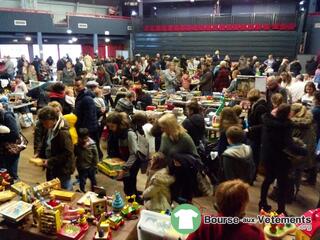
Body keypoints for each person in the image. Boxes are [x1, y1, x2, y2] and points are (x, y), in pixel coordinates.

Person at [259, 104, 307, 214]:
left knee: (267, 180)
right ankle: (281, 210)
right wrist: (303, 151)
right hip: (280, 159)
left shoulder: (267, 120)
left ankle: (262, 203)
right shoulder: (286, 125)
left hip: (267, 156)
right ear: (287, 113)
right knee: (282, 184)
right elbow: (289, 145)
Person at [187, 179, 265, 240]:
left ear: (216, 205)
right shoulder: (253, 234)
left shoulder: (203, 224)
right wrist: (261, 231)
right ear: (242, 207)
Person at [158, 113, 200, 203]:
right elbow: (162, 151)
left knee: (183, 201)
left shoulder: (185, 138)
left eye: (163, 127)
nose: (161, 130)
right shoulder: (164, 136)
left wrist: (182, 160)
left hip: (185, 176)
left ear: (170, 127)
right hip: (170, 172)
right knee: (170, 197)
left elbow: (196, 158)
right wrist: (157, 156)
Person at [37, 106, 75, 190]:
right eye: (42, 123)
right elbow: (46, 143)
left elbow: (68, 152)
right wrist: (40, 155)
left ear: (54, 119)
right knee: (52, 187)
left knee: (64, 189)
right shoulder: (49, 128)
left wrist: (50, 161)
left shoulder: (63, 133)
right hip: (52, 166)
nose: (44, 125)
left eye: (45, 123)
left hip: (62, 169)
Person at [105, 112, 140, 197]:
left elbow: (134, 154)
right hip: (124, 161)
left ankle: (134, 199)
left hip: (132, 163)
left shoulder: (129, 134)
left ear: (119, 125)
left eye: (112, 126)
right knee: (128, 182)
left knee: (130, 182)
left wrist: (124, 169)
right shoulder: (115, 133)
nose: (111, 129)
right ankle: (134, 193)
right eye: (109, 126)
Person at [74, 78, 101, 160]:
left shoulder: (86, 98)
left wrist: (85, 129)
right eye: (75, 85)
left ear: (83, 85)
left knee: (92, 147)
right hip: (86, 127)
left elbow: (90, 115)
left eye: (78, 85)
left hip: (89, 128)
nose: (76, 87)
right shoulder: (82, 96)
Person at [247, 89, 268, 178]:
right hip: (253, 135)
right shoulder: (255, 105)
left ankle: (252, 176)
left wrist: (251, 128)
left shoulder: (260, 107)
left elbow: (263, 124)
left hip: (256, 136)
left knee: (254, 157)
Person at [0, 103, 20, 180]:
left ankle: (17, 189)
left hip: (11, 150)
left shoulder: (7, 116)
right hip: (3, 151)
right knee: (3, 175)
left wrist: (2, 135)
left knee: (12, 174)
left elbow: (15, 134)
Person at [75, 128, 98, 192]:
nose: (84, 140)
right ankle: (82, 191)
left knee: (93, 180)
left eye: (85, 138)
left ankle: (94, 192)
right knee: (82, 181)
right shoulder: (76, 144)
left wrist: (95, 166)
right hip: (81, 167)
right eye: (81, 139)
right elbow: (75, 154)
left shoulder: (92, 144)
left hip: (90, 166)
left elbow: (96, 156)